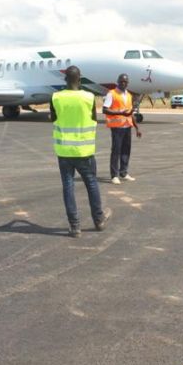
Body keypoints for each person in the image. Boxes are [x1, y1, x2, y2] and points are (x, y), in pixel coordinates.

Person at [50, 66, 109, 238]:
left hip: (64, 151)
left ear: (65, 80)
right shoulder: (89, 97)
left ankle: (75, 226)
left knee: (68, 186)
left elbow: (54, 118)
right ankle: (98, 220)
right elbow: (94, 119)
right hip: (84, 150)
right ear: (80, 80)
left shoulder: (56, 97)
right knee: (91, 183)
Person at [103, 73, 142, 184]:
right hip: (117, 127)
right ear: (118, 82)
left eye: (125, 82)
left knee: (126, 150)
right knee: (116, 151)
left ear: (128, 83)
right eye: (121, 81)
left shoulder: (129, 95)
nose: (123, 83)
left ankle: (124, 172)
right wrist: (120, 112)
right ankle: (114, 175)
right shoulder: (112, 93)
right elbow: (105, 109)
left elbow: (130, 113)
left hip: (127, 126)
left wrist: (136, 128)